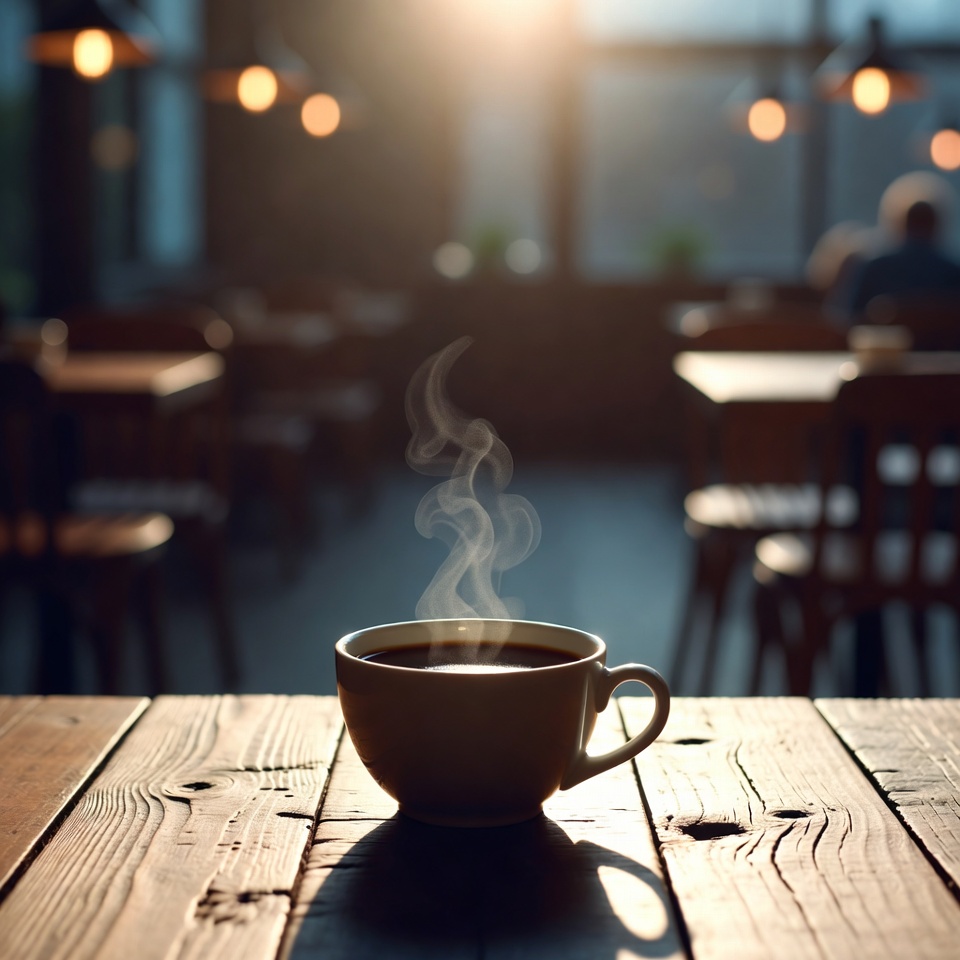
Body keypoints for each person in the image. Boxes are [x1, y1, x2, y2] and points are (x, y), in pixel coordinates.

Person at [837, 172, 960, 320]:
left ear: (900, 224)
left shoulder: (873, 269)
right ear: (937, 226)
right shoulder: (953, 273)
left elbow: (846, 320)